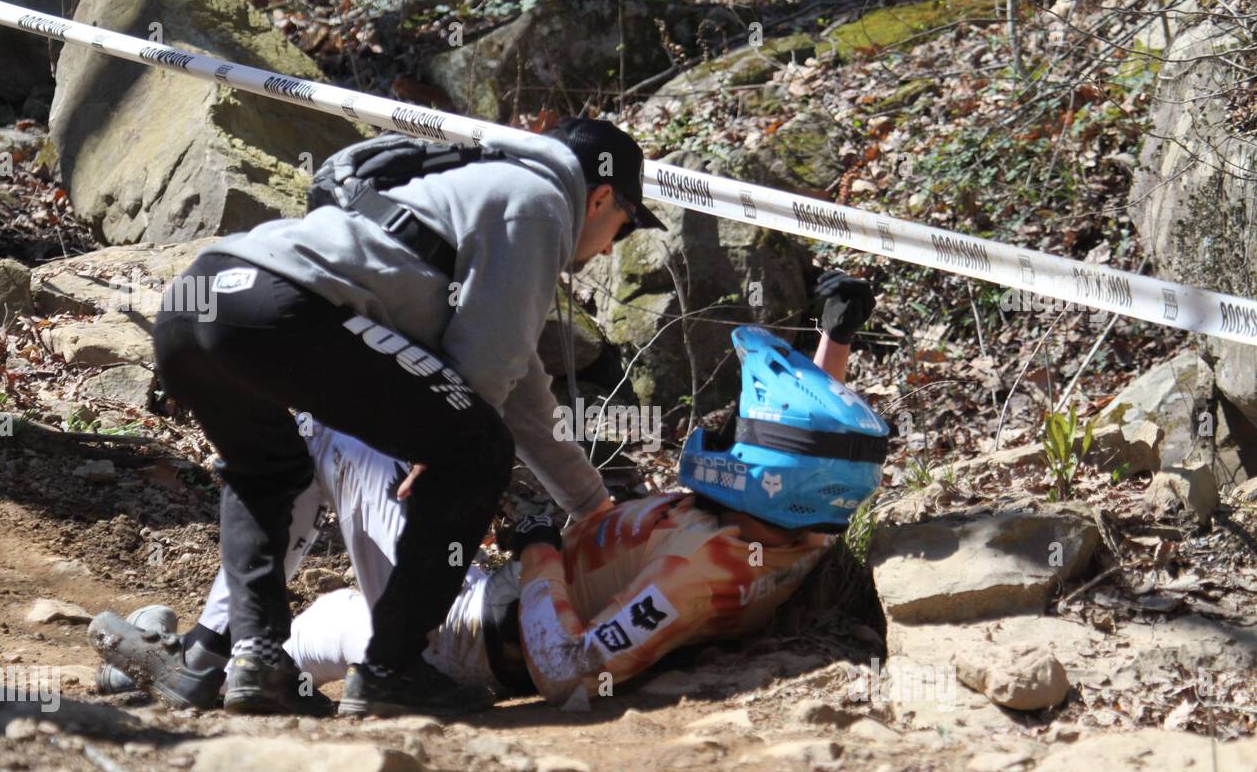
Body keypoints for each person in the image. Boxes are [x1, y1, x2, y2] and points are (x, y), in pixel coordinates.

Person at [92, 273, 887, 712]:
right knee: (319, 631)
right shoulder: (796, 526)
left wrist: (540, 552)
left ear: (770, 478)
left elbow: (573, 667)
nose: (723, 434)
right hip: (474, 605)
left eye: (742, 432)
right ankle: (173, 675)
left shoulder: (706, 569)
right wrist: (834, 342)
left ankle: (205, 645)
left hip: (470, 635)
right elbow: (814, 457)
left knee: (326, 427)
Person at [96, 118, 665, 716]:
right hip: (280, 305)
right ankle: (392, 668)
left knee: (268, 472)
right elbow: (490, 369)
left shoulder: (476, 180)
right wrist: (440, 447)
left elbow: (520, 384)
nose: (605, 248)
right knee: (478, 453)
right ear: (600, 197)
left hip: (197, 304)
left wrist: (590, 506)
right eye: (619, 230)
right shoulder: (542, 201)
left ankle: (248, 657)